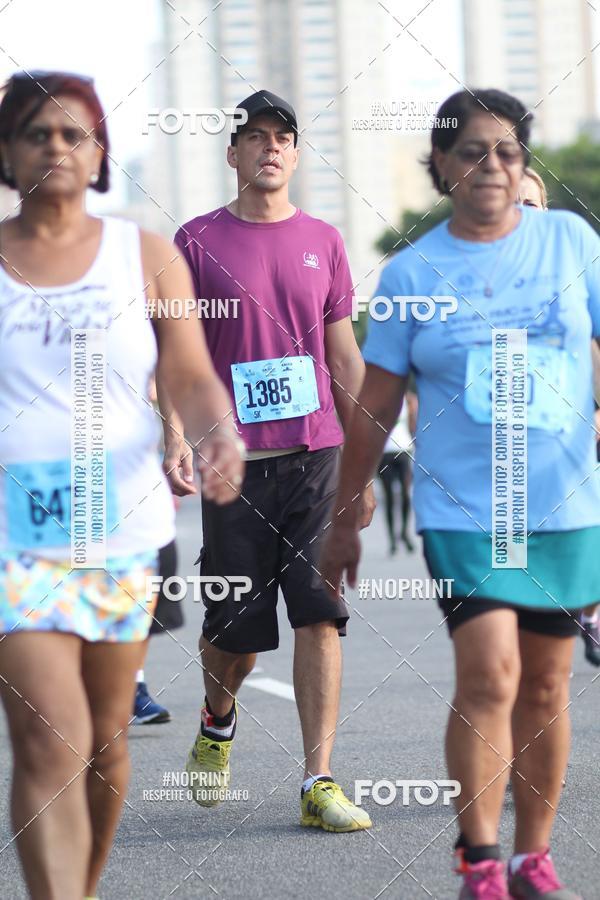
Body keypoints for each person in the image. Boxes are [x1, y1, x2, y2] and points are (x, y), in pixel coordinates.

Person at [321, 88, 595, 898]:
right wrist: (347, 512)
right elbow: (374, 402)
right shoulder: (413, 272)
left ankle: (532, 854)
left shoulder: (571, 241)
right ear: (441, 165)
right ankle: (480, 857)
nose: (492, 166)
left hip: (562, 504)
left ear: (525, 164)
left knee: (546, 684)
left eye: (507, 151)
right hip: (466, 508)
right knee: (491, 673)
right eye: (473, 151)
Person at [0, 70, 243, 900]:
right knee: (48, 739)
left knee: (104, 743)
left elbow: (190, 372)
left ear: (100, 151)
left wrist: (216, 431)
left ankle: (83, 886)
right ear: (7, 150)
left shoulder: (144, 252)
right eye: (38, 132)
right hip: (13, 537)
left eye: (76, 134)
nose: (58, 147)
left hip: (121, 527)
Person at [161, 89, 374, 831]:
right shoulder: (193, 241)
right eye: (256, 138)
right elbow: (173, 356)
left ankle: (319, 779)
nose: (271, 148)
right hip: (234, 467)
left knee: (322, 614)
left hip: (316, 457)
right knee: (237, 634)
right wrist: (173, 435)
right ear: (233, 154)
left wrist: (365, 464)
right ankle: (218, 719)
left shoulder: (325, 240)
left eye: (283, 137)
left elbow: (344, 357)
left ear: (295, 150)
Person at [377, 390, 417, 554]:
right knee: (389, 498)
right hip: (384, 452)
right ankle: (392, 538)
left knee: (406, 495)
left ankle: (405, 533)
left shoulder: (407, 398)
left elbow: (413, 423)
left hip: (404, 449)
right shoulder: (376, 397)